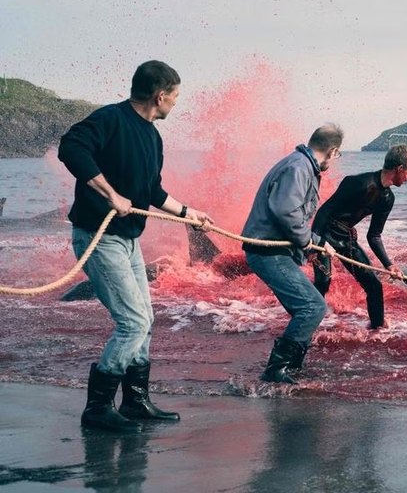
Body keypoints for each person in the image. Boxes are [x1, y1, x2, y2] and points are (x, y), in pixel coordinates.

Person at [58, 60, 214, 433]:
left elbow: (152, 191)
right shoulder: (110, 119)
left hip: (128, 240)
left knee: (146, 318)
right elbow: (71, 148)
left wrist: (190, 213)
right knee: (133, 322)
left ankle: (134, 402)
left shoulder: (152, 135)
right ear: (161, 95)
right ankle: (96, 409)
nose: (175, 104)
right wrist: (110, 194)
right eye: (175, 97)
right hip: (98, 237)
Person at [242, 124, 343, 384]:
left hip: (274, 250)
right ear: (332, 151)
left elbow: (292, 215)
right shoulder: (299, 168)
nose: (335, 159)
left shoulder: (300, 164)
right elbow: (286, 213)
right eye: (338, 154)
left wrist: (317, 241)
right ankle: (275, 371)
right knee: (312, 307)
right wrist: (309, 241)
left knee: (306, 308)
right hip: (267, 251)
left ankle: (293, 368)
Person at [311, 144, 407, 329]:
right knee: (323, 282)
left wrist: (389, 264)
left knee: (374, 286)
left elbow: (374, 235)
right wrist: (315, 244)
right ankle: (305, 323)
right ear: (399, 169)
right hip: (325, 235)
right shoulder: (358, 183)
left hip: (346, 240)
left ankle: (377, 331)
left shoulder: (387, 198)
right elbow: (324, 212)